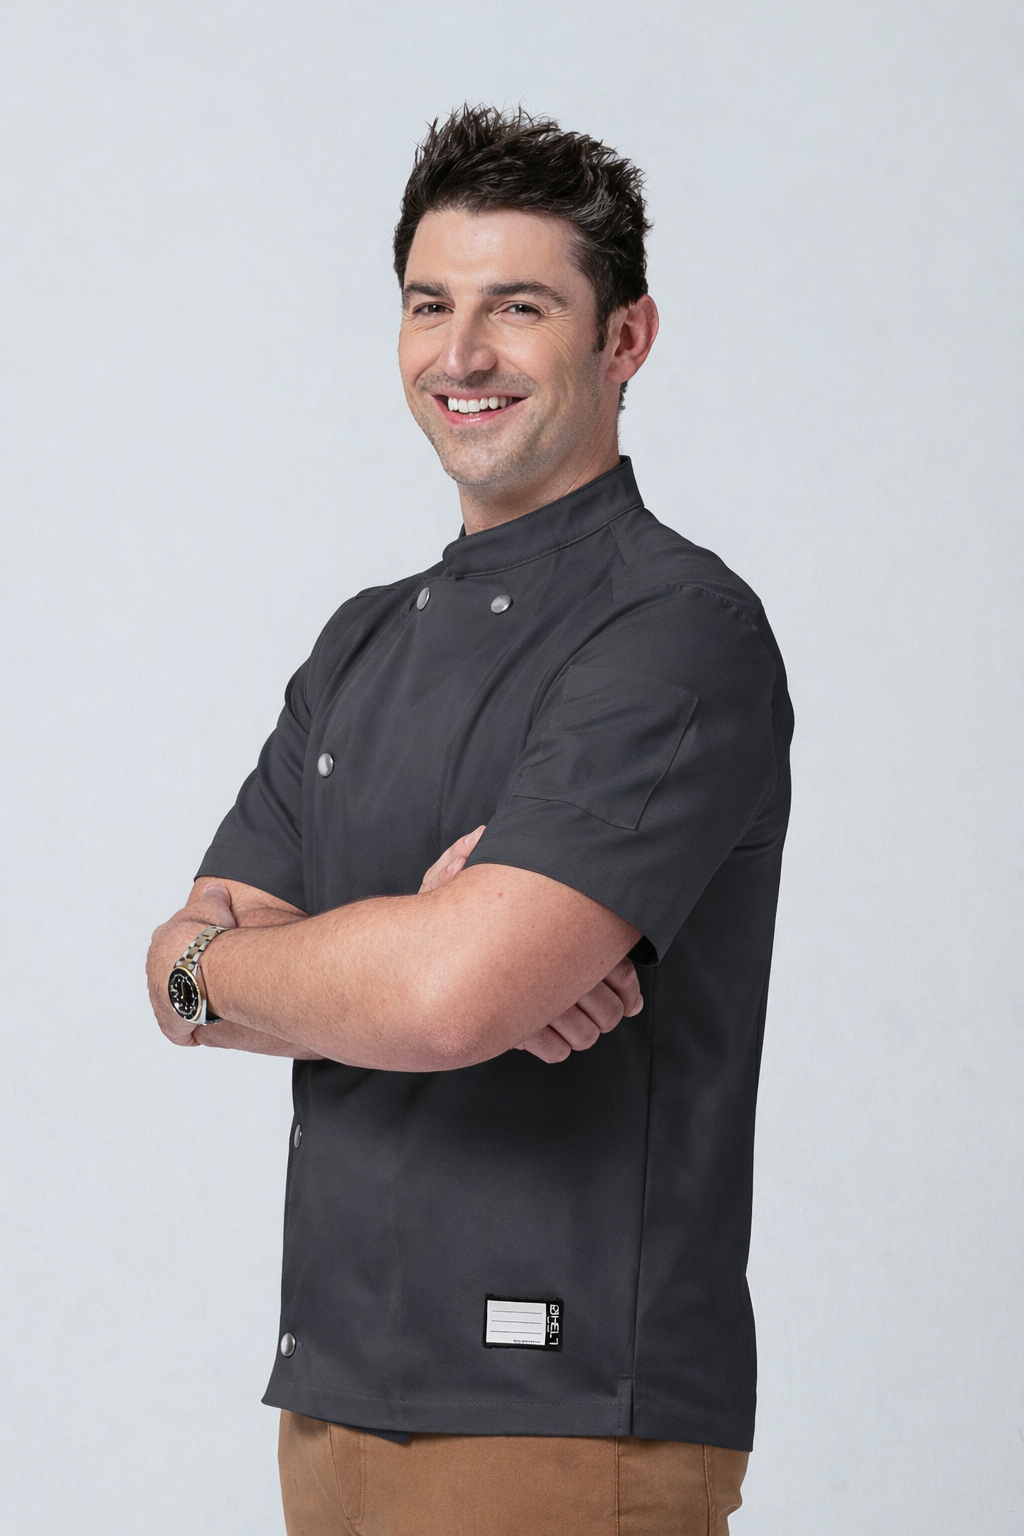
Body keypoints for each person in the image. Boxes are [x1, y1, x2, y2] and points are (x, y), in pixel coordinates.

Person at [147, 105, 793, 1536]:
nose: (463, 353)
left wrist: (332, 971)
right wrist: (400, 948)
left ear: (625, 340)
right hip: (329, 1400)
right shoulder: (360, 642)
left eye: (520, 306)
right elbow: (173, 971)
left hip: (564, 1409)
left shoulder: (676, 630)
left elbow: (444, 1001)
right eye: (430, 304)